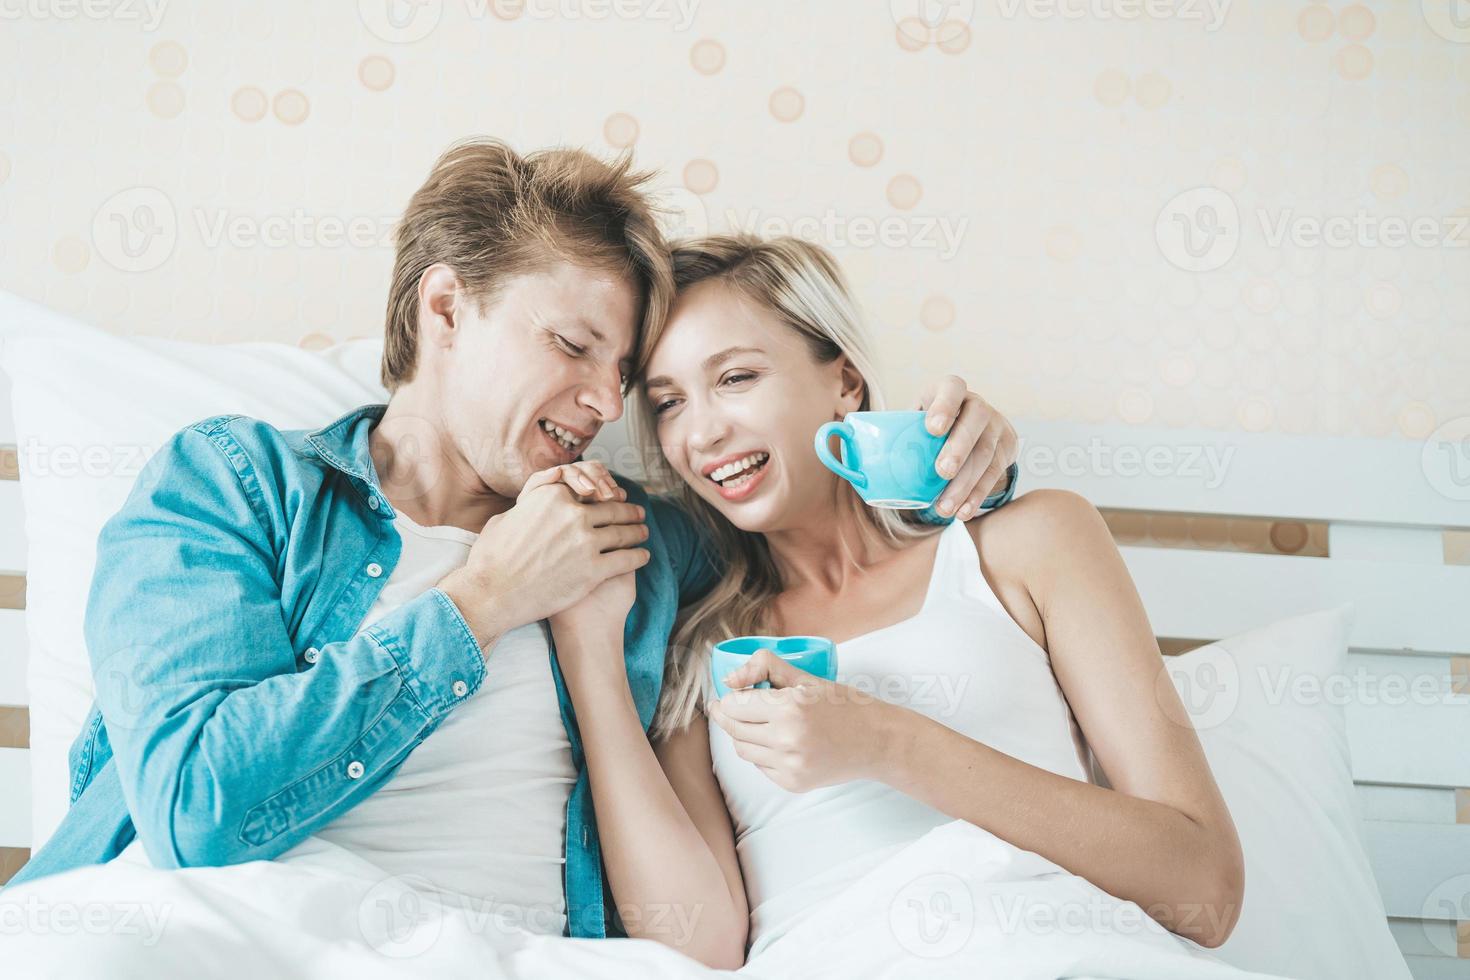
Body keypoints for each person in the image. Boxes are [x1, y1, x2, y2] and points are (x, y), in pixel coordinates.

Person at [5, 140, 1021, 942]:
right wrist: (483, 595)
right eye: (572, 345)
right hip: (233, 934)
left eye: (621, 374)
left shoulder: (645, 543)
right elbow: (194, 812)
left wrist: (963, 471)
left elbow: (816, 536)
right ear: (445, 305)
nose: (600, 400)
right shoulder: (235, 483)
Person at [549, 234, 1245, 967]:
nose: (703, 431)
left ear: (846, 382)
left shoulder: (1026, 545)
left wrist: (884, 742)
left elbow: (1205, 886)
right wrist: (586, 648)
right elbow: (699, 951)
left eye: (737, 378)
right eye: (668, 403)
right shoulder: (701, 650)